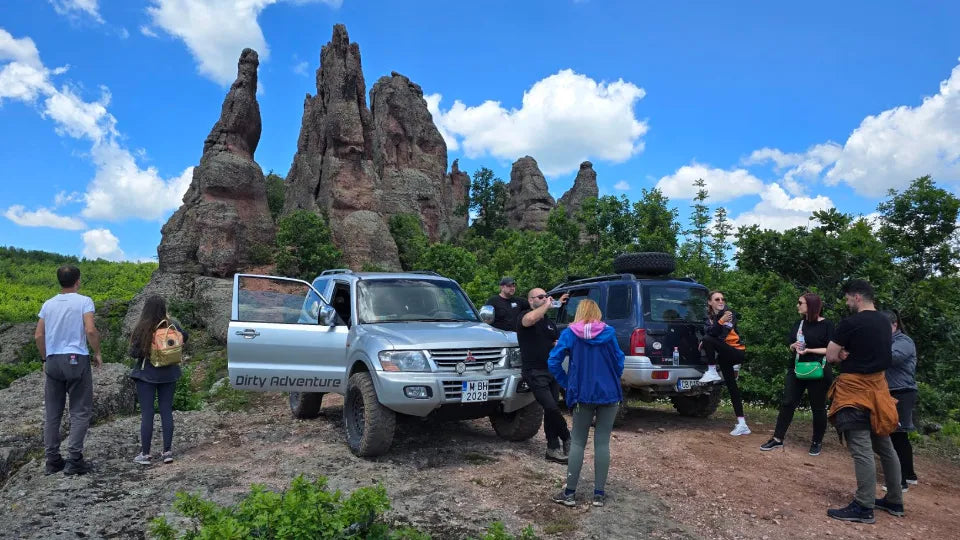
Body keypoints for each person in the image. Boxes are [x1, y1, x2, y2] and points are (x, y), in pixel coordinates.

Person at [825, 279, 902, 524]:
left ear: (857, 297)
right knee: (884, 445)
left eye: (848, 298)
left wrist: (842, 354)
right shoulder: (884, 321)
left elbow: (830, 355)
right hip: (879, 388)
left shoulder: (851, 322)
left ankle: (864, 506)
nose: (847, 302)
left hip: (854, 390)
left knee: (861, 448)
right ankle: (894, 500)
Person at [548, 299, 624, 508]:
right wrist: (612, 378)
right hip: (609, 394)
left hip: (582, 394)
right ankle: (598, 495)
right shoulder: (609, 333)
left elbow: (553, 361)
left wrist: (566, 383)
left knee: (578, 442)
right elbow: (619, 361)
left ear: (579, 312)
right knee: (602, 442)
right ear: (598, 312)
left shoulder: (570, 333)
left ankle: (570, 493)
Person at [35, 265, 102, 475]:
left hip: (53, 359)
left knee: (53, 413)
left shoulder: (48, 304)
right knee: (79, 411)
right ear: (77, 281)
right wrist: (97, 352)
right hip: (76, 358)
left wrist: (45, 357)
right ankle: (74, 460)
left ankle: (52, 460)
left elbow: (38, 335)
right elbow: (90, 329)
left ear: (59, 281)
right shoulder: (84, 301)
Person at [761, 293, 835, 456]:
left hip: (818, 370)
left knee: (818, 407)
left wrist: (809, 350)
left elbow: (830, 350)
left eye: (800, 303)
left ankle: (816, 441)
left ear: (811, 305)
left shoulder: (827, 325)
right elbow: (791, 345)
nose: (797, 305)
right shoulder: (799, 323)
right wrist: (793, 346)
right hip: (797, 368)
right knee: (787, 402)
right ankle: (777, 438)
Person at [128, 296, 189, 466]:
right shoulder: (172, 324)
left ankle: (145, 454)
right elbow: (185, 337)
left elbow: (134, 352)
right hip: (170, 373)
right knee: (166, 411)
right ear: (164, 308)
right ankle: (167, 452)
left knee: (147, 413)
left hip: (146, 374)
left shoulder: (143, 327)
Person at [517, 288, 571, 463]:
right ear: (531, 300)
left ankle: (552, 448)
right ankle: (567, 436)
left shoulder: (549, 323)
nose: (545, 298)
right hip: (534, 372)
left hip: (551, 371)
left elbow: (554, 342)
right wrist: (549, 304)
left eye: (546, 296)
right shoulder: (524, 316)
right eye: (540, 297)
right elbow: (530, 319)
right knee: (551, 407)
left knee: (550, 410)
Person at [698, 291, 751, 436]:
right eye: (717, 299)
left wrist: (708, 336)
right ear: (710, 302)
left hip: (736, 352)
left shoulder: (729, 314)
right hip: (723, 356)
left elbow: (719, 336)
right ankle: (742, 424)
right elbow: (710, 332)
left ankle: (712, 370)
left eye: (722, 299)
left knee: (708, 339)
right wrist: (708, 336)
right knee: (732, 388)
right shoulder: (707, 318)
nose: (721, 301)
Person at [883, 310, 918, 492]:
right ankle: (910, 475)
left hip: (902, 392)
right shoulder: (887, 341)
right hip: (890, 391)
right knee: (899, 434)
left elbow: (891, 358)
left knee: (896, 433)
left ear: (894, 325)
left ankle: (900, 481)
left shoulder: (903, 342)